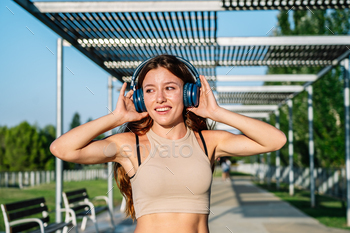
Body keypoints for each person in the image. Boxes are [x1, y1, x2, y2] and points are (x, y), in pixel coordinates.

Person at [50, 54, 286, 233]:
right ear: (142, 99)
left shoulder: (208, 142)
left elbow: (275, 140)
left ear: (188, 94)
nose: (160, 98)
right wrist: (116, 118)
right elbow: (61, 149)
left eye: (170, 88)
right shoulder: (130, 145)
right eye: (150, 90)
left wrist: (217, 112)